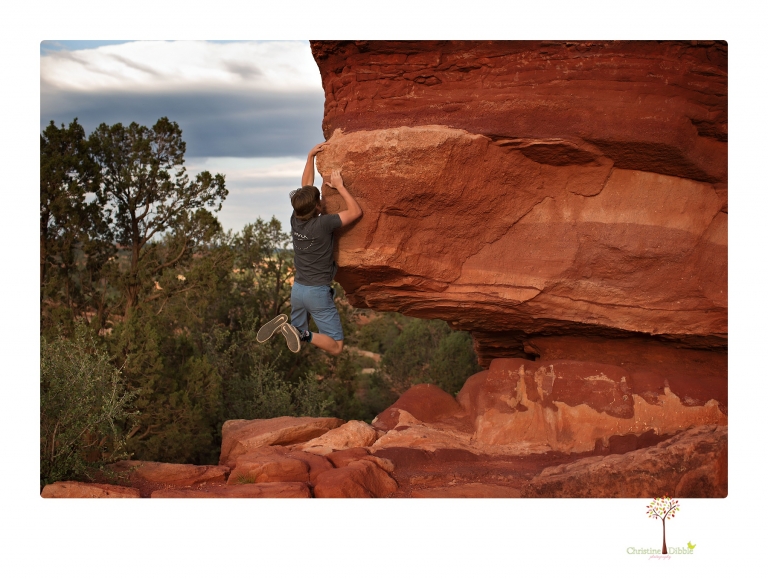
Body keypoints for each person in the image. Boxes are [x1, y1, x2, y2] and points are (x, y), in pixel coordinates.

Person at [256, 142, 362, 355]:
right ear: (316, 208)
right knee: (336, 347)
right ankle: (301, 333)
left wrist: (310, 157)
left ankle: (293, 330)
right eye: (319, 199)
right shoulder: (323, 224)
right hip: (315, 292)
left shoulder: (296, 219)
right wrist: (340, 186)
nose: (321, 199)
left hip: (299, 290)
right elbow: (355, 212)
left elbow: (306, 188)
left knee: (297, 332)